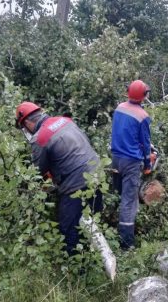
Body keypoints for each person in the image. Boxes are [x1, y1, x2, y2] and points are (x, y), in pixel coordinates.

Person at [15, 101, 103, 255]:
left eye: (23, 127)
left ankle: (78, 271)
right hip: (97, 173)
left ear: (27, 122)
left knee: (69, 230)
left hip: (75, 183)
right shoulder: (66, 120)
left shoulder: (39, 138)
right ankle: (97, 256)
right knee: (93, 221)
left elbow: (37, 173)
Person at [110, 80, 153, 250]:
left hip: (115, 157)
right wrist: (148, 163)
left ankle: (113, 226)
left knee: (120, 193)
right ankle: (126, 244)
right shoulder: (143, 116)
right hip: (131, 162)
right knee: (128, 201)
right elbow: (145, 141)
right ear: (143, 95)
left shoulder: (119, 108)